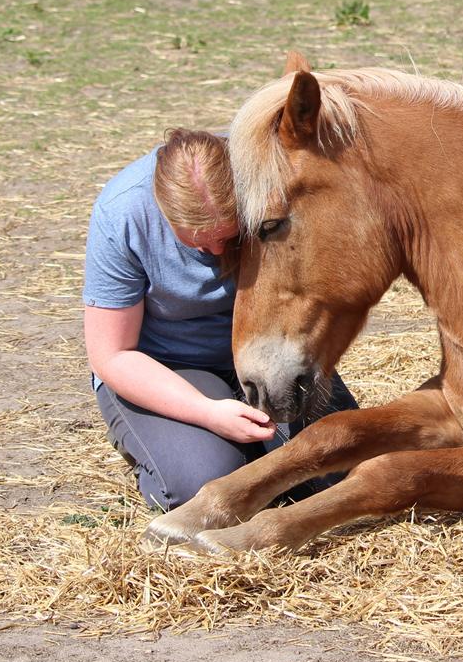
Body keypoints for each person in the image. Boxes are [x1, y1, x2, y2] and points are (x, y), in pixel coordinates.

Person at [83, 129, 356, 511]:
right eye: (197, 243)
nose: (215, 251)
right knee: (200, 487)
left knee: (344, 466)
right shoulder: (123, 213)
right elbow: (111, 354)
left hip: (268, 349)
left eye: (229, 238)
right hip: (168, 365)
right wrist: (206, 412)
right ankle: (187, 450)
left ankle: (253, 454)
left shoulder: (269, 184)